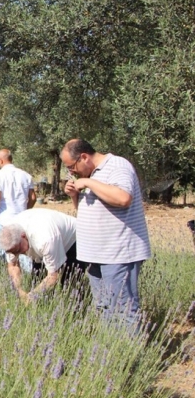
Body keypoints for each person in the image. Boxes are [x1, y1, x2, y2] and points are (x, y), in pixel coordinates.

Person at [61, 139, 151, 328]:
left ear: (84, 157)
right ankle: (113, 350)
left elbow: (123, 198)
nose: (71, 172)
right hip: (96, 255)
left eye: (71, 167)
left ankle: (132, 354)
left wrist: (87, 182)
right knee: (104, 308)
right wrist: (74, 196)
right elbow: (88, 211)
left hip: (117, 254)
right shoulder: (91, 174)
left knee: (123, 309)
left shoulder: (117, 165)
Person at [0, 209, 87, 304]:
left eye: (18, 251)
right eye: (12, 252)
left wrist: (30, 297)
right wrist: (19, 291)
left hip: (72, 241)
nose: (16, 255)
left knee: (71, 284)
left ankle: (75, 310)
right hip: (41, 243)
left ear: (23, 236)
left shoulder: (45, 239)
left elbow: (54, 275)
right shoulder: (9, 236)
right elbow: (13, 265)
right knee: (37, 282)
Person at [0, 149, 37, 271]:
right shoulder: (26, 175)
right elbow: (33, 197)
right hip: (21, 218)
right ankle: (27, 274)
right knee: (23, 249)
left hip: (4, 218)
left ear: (0, 160)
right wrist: (26, 209)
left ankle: (3, 273)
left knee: (2, 249)